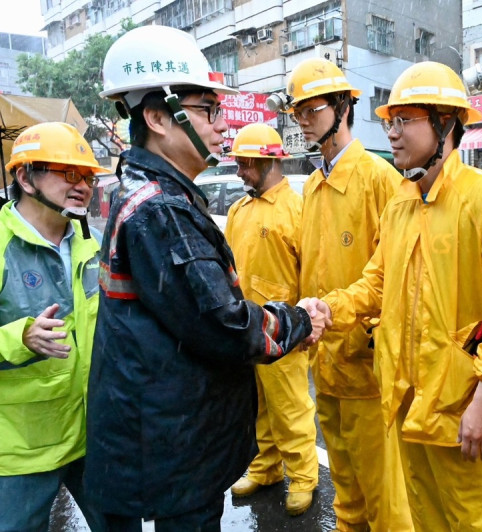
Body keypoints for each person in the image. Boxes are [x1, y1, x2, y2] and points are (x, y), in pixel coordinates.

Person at [85, 25, 326, 530]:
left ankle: (301, 476)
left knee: (290, 418)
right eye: (207, 110)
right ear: (157, 117)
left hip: (167, 430)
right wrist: (299, 320)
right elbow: (223, 324)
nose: (222, 127)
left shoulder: (151, 196)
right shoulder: (162, 211)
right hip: (174, 442)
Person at [302, 62, 482, 531]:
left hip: (464, 416)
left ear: (445, 123)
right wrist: (330, 309)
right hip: (409, 409)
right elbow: (377, 283)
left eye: (404, 120)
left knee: (481, 523)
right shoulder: (402, 203)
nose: (391, 133)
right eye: (390, 122)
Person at [279, 57, 412, 532]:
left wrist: (369, 334)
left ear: (341, 106)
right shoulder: (313, 184)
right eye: (297, 112)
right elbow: (309, 268)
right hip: (325, 362)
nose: (303, 120)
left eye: (311, 109)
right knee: (347, 492)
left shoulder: (380, 179)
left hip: (366, 369)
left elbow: (396, 273)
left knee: (386, 500)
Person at [0, 122, 107, 532]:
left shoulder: (95, 244)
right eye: (67, 173)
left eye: (88, 176)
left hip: (93, 437)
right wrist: (20, 337)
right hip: (21, 450)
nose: (82, 185)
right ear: (25, 177)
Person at [224, 123, 318, 516]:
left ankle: (303, 477)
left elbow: (311, 271)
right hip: (247, 330)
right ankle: (265, 469)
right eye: (240, 163)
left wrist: (308, 324)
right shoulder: (238, 210)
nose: (242, 171)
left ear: (270, 161)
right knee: (257, 406)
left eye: (247, 163)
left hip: (285, 333)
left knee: (291, 409)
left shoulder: (296, 209)